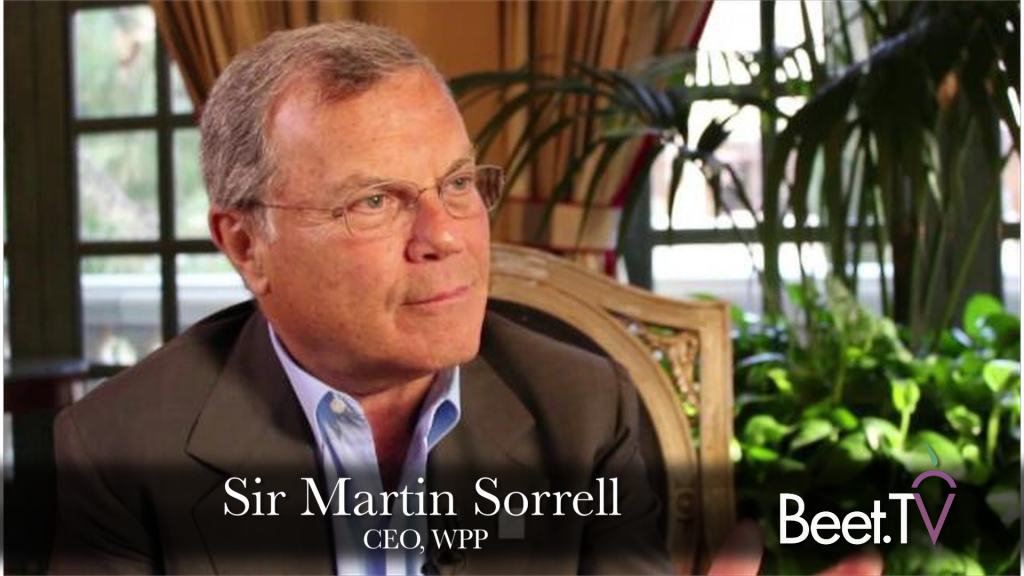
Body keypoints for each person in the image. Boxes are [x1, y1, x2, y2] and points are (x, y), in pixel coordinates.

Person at [49, 21, 883, 576]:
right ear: (246, 245)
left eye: (456, 183)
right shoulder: (120, 446)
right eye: (375, 201)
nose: (444, 235)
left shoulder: (584, 409)